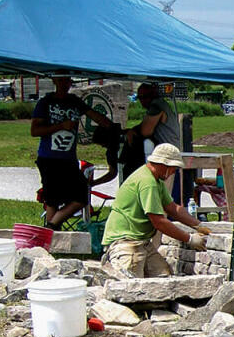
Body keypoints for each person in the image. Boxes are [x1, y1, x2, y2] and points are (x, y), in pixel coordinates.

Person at [101, 143, 211, 277]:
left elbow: (172, 208)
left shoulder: (156, 180)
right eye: (173, 168)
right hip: (126, 243)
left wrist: (198, 225)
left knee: (164, 278)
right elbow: (158, 222)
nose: (173, 172)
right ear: (164, 165)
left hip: (142, 242)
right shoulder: (147, 182)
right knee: (131, 287)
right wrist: (189, 239)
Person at [30, 75, 112, 228]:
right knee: (52, 197)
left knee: (81, 195)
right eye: (61, 80)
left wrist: (112, 126)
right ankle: (53, 232)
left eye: (67, 81)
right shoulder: (45, 102)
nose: (64, 84)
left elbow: (93, 115)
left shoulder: (74, 101)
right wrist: (61, 126)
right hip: (49, 158)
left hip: (68, 159)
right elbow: (35, 130)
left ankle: (51, 226)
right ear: (54, 81)